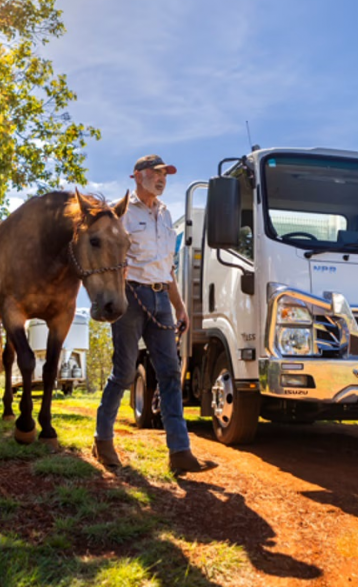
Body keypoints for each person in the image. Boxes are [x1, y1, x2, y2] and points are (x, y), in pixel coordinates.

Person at [93, 154, 217, 475]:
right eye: (155, 173)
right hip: (132, 297)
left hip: (162, 297)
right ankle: (102, 439)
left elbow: (168, 267)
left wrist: (179, 306)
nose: (162, 179)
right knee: (123, 372)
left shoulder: (165, 214)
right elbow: (110, 256)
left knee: (170, 375)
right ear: (137, 176)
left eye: (165, 174)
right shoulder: (122, 213)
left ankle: (180, 451)